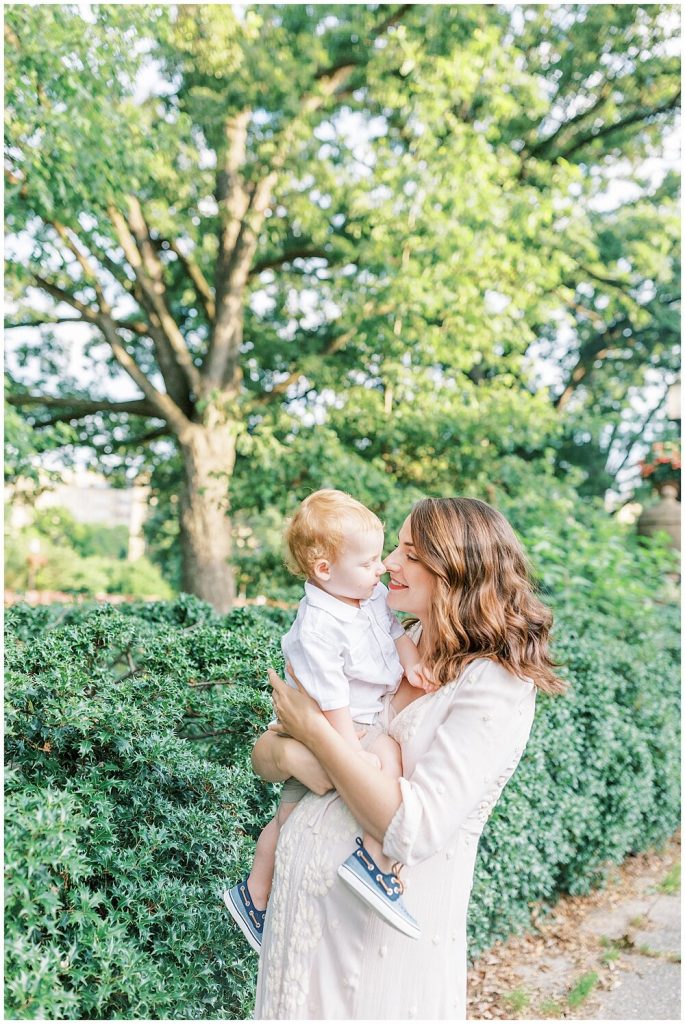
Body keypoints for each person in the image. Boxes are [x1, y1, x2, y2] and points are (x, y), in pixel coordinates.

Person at [250, 496, 565, 1020]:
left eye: (410, 553)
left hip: (371, 956)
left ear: (458, 571)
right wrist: (303, 757)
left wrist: (312, 734)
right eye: (394, 548)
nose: (391, 563)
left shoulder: (494, 684)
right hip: (296, 939)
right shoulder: (389, 644)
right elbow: (264, 756)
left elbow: (410, 828)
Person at [223, 490, 433, 953]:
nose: (381, 568)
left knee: (311, 805)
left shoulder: (368, 593)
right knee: (290, 815)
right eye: (370, 561)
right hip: (338, 725)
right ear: (324, 570)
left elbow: (395, 631)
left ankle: (374, 863)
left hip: (358, 722)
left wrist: (413, 661)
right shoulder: (317, 625)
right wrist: (346, 747)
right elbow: (330, 694)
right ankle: (254, 894)